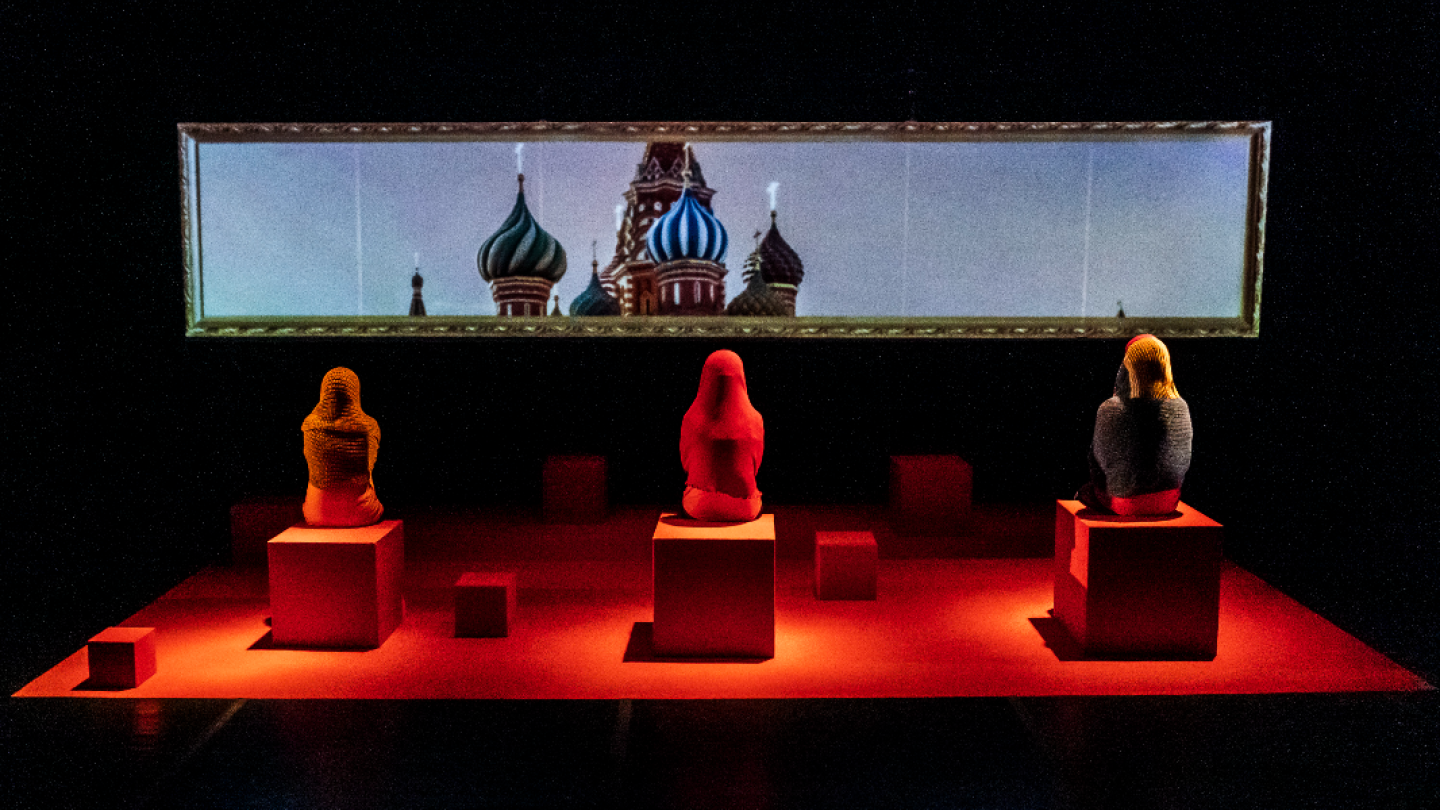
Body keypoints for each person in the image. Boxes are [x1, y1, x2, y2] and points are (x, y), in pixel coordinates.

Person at [1077, 335, 1192, 515]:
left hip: (1126, 504)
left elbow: (1096, 462)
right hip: (1168, 503)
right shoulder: (1181, 406)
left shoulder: (1111, 408)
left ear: (1127, 366)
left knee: (1085, 491)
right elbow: (1181, 464)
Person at [680, 350, 764, 522]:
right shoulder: (755, 419)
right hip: (745, 508)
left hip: (699, 508)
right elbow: (755, 466)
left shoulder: (691, 418)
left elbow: (686, 463)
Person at [301, 367, 384, 527]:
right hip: (360, 514)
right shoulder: (369, 427)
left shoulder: (310, 426)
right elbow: (369, 468)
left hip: (315, 514)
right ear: (354, 392)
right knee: (369, 487)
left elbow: (312, 466)